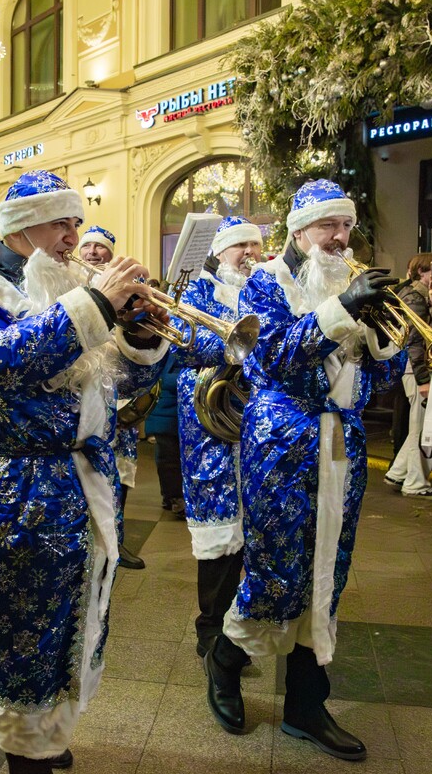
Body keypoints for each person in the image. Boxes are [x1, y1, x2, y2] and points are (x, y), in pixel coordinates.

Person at [0, 170, 169, 773]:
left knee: (81, 609)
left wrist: (141, 338)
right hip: (18, 489)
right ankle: (26, 749)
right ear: (19, 228)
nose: (74, 237)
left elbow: (119, 383)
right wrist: (96, 305)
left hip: (86, 478)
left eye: (76, 222)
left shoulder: (67, 286)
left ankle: (52, 730)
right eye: (61, 223)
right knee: (23, 621)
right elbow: (2, 360)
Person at [207, 180, 404, 760]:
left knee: (329, 569)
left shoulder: (349, 279)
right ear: (299, 231)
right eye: (328, 227)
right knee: (276, 570)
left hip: (342, 443)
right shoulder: (265, 282)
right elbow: (274, 358)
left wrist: (380, 339)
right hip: (281, 446)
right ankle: (225, 661)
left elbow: (380, 380)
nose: (341, 238)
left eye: (346, 227)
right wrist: (344, 311)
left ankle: (306, 705)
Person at [173, 215, 262, 657]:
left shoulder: (265, 286)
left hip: (258, 425)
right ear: (221, 251)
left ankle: (243, 625)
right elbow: (182, 344)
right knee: (219, 533)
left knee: (256, 529)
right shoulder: (199, 290)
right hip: (210, 426)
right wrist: (237, 348)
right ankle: (210, 625)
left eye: (254, 245)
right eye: (240, 245)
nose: (249, 253)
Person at [78, 224, 145, 569]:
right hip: (89, 397)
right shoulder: (74, 283)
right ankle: (95, 540)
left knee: (120, 472)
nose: (91, 252)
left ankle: (117, 538)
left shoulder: (130, 283)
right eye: (86, 245)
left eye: (99, 247)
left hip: (124, 394)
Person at [385, 252, 432, 500]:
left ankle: (399, 472)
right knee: (423, 428)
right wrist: (423, 379)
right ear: (421, 273)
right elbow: (413, 341)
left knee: (418, 425)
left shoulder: (418, 295)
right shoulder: (414, 297)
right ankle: (416, 483)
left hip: (415, 367)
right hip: (416, 368)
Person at [144, 351, 185, 519]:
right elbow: (165, 379)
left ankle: (172, 496)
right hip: (166, 412)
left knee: (169, 458)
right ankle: (174, 496)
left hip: (172, 412)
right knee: (169, 458)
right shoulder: (170, 349)